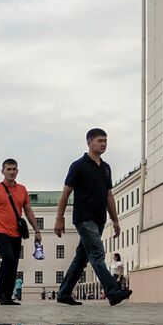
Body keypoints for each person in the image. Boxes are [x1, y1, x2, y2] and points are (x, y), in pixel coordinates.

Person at [53, 128, 131, 307]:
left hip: (99, 219)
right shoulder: (78, 165)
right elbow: (66, 193)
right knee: (97, 254)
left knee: (81, 258)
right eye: (99, 141)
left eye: (105, 141)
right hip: (84, 218)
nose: (103, 144)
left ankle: (64, 293)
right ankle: (113, 292)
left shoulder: (105, 168)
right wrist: (59, 218)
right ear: (89, 142)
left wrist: (116, 220)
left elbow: (108, 195)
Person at [0, 159, 44, 305]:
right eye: (8, 169)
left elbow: (28, 211)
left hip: (16, 232)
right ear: (2, 171)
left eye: (14, 169)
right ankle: (0, 291)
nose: (11, 172)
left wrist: (37, 230)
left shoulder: (22, 189)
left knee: (14, 262)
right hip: (0, 230)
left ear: (17, 171)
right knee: (8, 258)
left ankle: (8, 296)